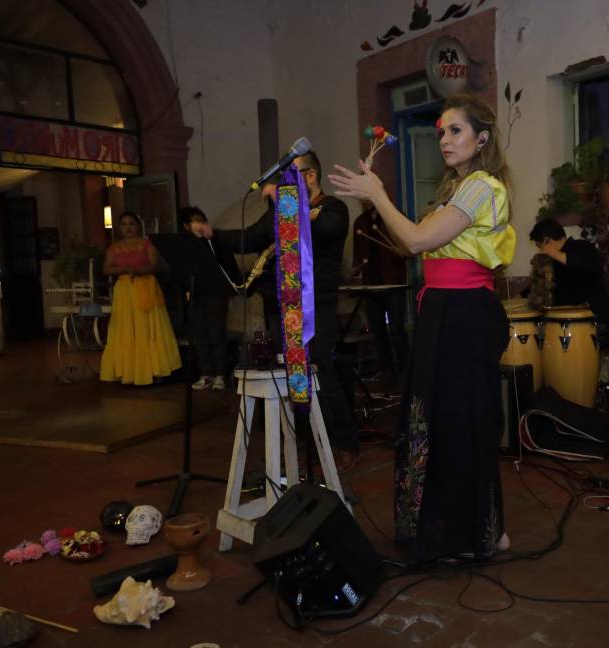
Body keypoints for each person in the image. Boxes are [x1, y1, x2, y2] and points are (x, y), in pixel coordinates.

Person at [329, 93, 516, 562]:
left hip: (464, 315)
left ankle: (477, 533)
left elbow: (414, 241)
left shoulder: (481, 186)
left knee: (459, 422)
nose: (445, 140)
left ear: (482, 138)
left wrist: (377, 194)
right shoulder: (454, 191)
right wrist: (377, 198)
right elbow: (412, 239)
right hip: (444, 312)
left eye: (455, 130)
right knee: (436, 421)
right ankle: (466, 529)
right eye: (441, 132)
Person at [192, 151, 360, 473]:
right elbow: (251, 237)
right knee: (291, 377)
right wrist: (213, 235)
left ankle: (345, 442)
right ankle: (303, 444)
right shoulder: (284, 212)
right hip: (286, 305)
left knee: (320, 371)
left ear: (310, 177)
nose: (284, 187)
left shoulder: (332, 208)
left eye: (290, 179)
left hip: (318, 307)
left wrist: (289, 201)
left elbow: (325, 229)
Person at [100, 212, 182, 386]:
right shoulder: (113, 248)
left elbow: (154, 265)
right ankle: (128, 372)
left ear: (138, 226)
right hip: (124, 292)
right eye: (123, 224)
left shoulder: (147, 244)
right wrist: (124, 270)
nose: (128, 228)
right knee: (127, 330)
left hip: (146, 288)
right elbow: (106, 269)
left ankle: (156, 370)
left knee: (148, 328)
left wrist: (137, 271)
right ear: (119, 227)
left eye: (131, 224)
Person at [179, 206, 243, 391]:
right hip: (195, 293)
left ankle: (220, 375)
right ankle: (205, 374)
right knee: (200, 335)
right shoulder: (185, 245)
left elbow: (229, 266)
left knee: (217, 334)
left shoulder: (214, 241)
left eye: (203, 220)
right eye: (195, 221)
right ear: (186, 225)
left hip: (216, 293)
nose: (200, 224)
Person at [352, 200, 409, 382]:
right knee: (378, 331)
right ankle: (387, 371)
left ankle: (406, 370)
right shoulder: (360, 222)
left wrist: (403, 251)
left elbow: (410, 246)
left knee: (396, 330)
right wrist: (356, 268)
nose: (364, 200)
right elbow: (357, 255)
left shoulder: (393, 215)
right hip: (372, 284)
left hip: (393, 283)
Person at [528, 218, 609, 331]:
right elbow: (541, 285)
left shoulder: (582, 247)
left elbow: (591, 267)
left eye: (540, 246)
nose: (540, 250)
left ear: (547, 241)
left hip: (594, 321)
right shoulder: (553, 261)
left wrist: (553, 253)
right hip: (565, 323)